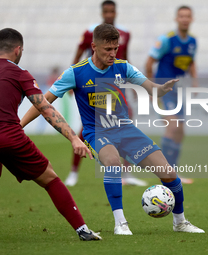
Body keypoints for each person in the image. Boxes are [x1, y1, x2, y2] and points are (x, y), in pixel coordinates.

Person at [21, 23, 205, 235]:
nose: (112, 53)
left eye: (115, 48)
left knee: (169, 173)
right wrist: (19, 126)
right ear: (94, 47)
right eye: (107, 49)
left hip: (126, 130)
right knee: (113, 162)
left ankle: (180, 222)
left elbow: (151, 88)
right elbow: (43, 102)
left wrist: (161, 89)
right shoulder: (76, 73)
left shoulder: (123, 67)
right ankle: (120, 223)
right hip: (96, 132)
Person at [0, 28, 102, 241]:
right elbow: (45, 108)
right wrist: (73, 138)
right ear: (18, 50)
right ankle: (83, 231)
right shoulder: (20, 73)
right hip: (10, 138)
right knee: (50, 178)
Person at [65, 0, 147, 187]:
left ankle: (127, 173)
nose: (109, 14)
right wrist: (72, 81)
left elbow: (125, 59)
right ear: (102, 13)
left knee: (127, 123)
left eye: (112, 11)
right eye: (106, 11)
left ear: (116, 12)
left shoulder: (125, 34)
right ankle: (74, 171)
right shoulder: (90, 33)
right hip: (94, 83)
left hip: (116, 84)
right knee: (88, 128)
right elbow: (78, 57)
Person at [145, 5, 197, 185]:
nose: (184, 19)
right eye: (181, 16)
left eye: (187, 16)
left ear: (192, 19)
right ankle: (165, 172)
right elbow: (149, 61)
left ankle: (172, 171)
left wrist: (195, 81)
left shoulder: (192, 42)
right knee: (172, 126)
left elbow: (191, 62)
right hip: (163, 90)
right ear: (176, 19)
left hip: (178, 92)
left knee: (180, 131)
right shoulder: (166, 40)